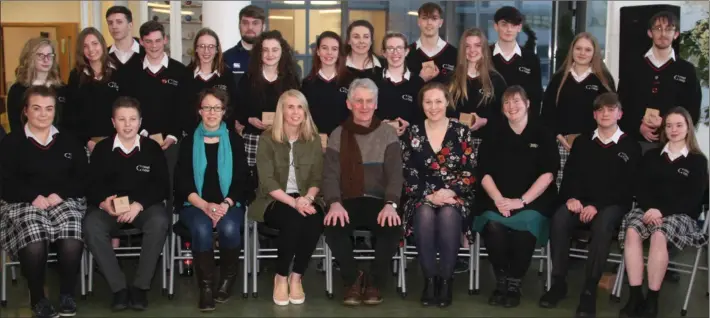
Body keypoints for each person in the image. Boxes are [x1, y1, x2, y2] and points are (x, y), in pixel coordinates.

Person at [539, 93, 641, 317]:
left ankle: (589, 289)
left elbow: (628, 187)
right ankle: (558, 283)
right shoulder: (583, 142)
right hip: (581, 202)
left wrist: (597, 205)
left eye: (611, 109)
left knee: (602, 224)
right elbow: (570, 177)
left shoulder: (631, 146)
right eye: (600, 110)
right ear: (594, 115)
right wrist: (572, 198)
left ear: (620, 114)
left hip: (612, 205)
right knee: (560, 217)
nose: (605, 114)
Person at [0, 86, 87, 318]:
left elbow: (83, 178)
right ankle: (38, 298)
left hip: (63, 198)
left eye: (49, 109)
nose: (43, 114)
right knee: (35, 233)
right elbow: (5, 183)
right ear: (26, 111)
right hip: (22, 201)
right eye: (36, 108)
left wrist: (61, 194)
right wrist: (32, 196)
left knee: (71, 229)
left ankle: (67, 294)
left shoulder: (69, 141)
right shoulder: (11, 143)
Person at [473, 85, 559, 308]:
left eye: (517, 101)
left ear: (528, 103)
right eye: (507, 103)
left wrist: (521, 201)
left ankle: (514, 283)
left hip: (533, 200)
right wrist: (499, 199)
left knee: (526, 224)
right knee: (493, 226)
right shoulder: (494, 132)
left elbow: (549, 174)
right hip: (496, 197)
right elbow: (483, 172)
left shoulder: (543, 132)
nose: (512, 107)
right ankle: (501, 280)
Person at [617, 107, 708, 318]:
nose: (673, 130)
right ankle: (635, 295)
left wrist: (662, 211)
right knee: (632, 230)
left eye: (679, 125)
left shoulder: (697, 161)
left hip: (681, 215)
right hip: (648, 209)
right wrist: (650, 208)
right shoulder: (651, 156)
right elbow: (640, 188)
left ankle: (652, 299)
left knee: (659, 234)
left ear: (688, 128)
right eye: (669, 126)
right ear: (663, 129)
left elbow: (693, 199)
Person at [83, 96, 170, 312]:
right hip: (109, 208)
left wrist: (138, 205)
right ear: (113, 122)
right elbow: (91, 185)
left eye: (133, 119)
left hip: (143, 207)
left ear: (141, 121)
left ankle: (140, 287)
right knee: (91, 226)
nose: (128, 124)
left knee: (159, 222)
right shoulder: (102, 149)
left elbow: (162, 186)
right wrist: (104, 203)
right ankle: (119, 288)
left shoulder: (152, 148)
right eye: (122, 119)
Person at [322, 78, 403, 306]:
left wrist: (391, 203)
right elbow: (329, 174)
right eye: (359, 101)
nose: (364, 106)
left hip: (380, 200)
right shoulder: (338, 134)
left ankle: (375, 281)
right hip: (347, 200)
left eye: (369, 101)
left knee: (392, 227)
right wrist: (334, 202)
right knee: (333, 227)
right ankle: (353, 279)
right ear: (349, 104)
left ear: (376, 104)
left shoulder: (388, 133)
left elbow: (396, 174)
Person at [401, 82, 476, 307]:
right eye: (428, 102)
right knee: (423, 214)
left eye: (438, 101)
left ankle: (446, 280)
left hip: (456, 195)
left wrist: (450, 191)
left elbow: (470, 171)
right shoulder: (413, 132)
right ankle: (429, 279)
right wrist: (430, 195)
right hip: (421, 196)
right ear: (421, 104)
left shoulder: (461, 131)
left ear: (447, 103)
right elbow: (407, 172)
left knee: (449, 215)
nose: (433, 107)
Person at [174, 88, 248, 311]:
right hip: (195, 204)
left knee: (228, 228)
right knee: (202, 229)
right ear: (200, 110)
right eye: (207, 107)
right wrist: (205, 206)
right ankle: (206, 288)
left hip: (229, 203)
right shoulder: (188, 143)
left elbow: (241, 180)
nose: (212, 112)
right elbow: (183, 182)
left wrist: (224, 205)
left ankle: (227, 281)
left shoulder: (235, 141)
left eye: (217, 108)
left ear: (224, 111)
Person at [249, 90, 325, 306]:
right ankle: (281, 276)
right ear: (281, 110)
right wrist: (294, 202)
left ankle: (297, 276)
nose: (295, 112)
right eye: (290, 107)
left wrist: (307, 199)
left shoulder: (312, 138)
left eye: (300, 107)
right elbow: (267, 180)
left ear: (305, 111)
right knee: (293, 220)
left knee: (314, 220)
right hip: (273, 199)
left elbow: (317, 176)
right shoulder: (267, 138)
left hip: (306, 197)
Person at [617, 11, 701, 153]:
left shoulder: (686, 70)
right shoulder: (632, 67)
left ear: (676, 34)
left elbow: (693, 109)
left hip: (673, 146)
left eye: (669, 29)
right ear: (650, 33)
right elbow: (620, 104)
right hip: (636, 145)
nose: (663, 34)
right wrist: (638, 126)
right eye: (658, 28)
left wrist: (667, 125)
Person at [541, 32, 615, 188]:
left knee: (590, 189)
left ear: (594, 53)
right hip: (562, 146)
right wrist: (559, 136)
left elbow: (611, 115)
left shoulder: (604, 80)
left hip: (594, 145)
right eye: (578, 48)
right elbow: (547, 113)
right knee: (562, 190)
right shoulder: (559, 78)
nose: (582, 53)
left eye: (588, 50)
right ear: (572, 50)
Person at [234, 30, 300, 170]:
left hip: (283, 138)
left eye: (275, 50)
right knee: (252, 182)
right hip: (253, 138)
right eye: (265, 50)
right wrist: (249, 119)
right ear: (259, 53)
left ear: (282, 52)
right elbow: (237, 108)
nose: (270, 55)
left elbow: (299, 109)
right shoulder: (248, 79)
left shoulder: (291, 80)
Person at [65, 27, 122, 152]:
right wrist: (86, 141)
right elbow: (71, 113)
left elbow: (125, 109)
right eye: (85, 46)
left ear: (102, 44)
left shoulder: (118, 72)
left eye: (95, 44)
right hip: (86, 144)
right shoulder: (76, 76)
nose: (91, 49)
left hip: (116, 141)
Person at [448, 28, 508, 138]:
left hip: (488, 143)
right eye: (467, 46)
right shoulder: (451, 79)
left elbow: (504, 115)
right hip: (456, 143)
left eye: (477, 45)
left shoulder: (495, 80)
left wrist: (484, 121)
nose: (472, 50)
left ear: (484, 49)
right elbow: (443, 111)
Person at [490, 6, 543, 119]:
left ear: (519, 28)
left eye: (513, 25)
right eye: (504, 24)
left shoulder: (531, 58)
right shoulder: (485, 55)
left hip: (522, 126)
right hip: (489, 125)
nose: (509, 29)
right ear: (496, 26)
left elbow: (536, 97)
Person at [183, 28, 239, 134]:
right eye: (202, 46)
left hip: (222, 134)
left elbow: (233, 106)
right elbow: (181, 108)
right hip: (192, 134)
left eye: (211, 47)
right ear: (196, 49)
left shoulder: (227, 75)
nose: (206, 51)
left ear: (217, 50)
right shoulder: (185, 75)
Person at [7, 37, 67, 133]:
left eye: (49, 55)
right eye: (40, 55)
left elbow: (69, 124)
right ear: (29, 58)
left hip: (60, 144)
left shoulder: (62, 89)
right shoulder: (17, 90)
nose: (46, 59)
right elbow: (15, 126)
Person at [301, 31, 350, 136]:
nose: (329, 53)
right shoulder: (307, 84)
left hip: (343, 142)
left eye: (334, 49)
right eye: (324, 48)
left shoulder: (350, 81)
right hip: (314, 142)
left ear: (339, 53)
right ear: (318, 51)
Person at [376, 32, 425, 135]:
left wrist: (409, 124)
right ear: (384, 53)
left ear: (406, 51)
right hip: (378, 141)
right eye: (390, 48)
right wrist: (379, 124)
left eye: (399, 48)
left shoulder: (418, 83)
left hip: (410, 142)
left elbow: (423, 115)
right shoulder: (374, 80)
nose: (395, 53)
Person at [405, 2, 457, 84]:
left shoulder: (454, 53)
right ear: (418, 21)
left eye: (434, 18)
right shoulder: (406, 53)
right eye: (424, 18)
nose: (429, 22)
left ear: (440, 23)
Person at [223, 5, 265, 87]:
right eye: (245, 23)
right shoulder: (225, 58)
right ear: (239, 26)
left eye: (255, 23)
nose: (250, 27)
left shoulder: (272, 57)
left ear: (263, 27)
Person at [105, 6, 144, 70]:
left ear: (130, 25)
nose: (114, 26)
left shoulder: (147, 52)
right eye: (110, 23)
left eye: (119, 22)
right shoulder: (104, 56)